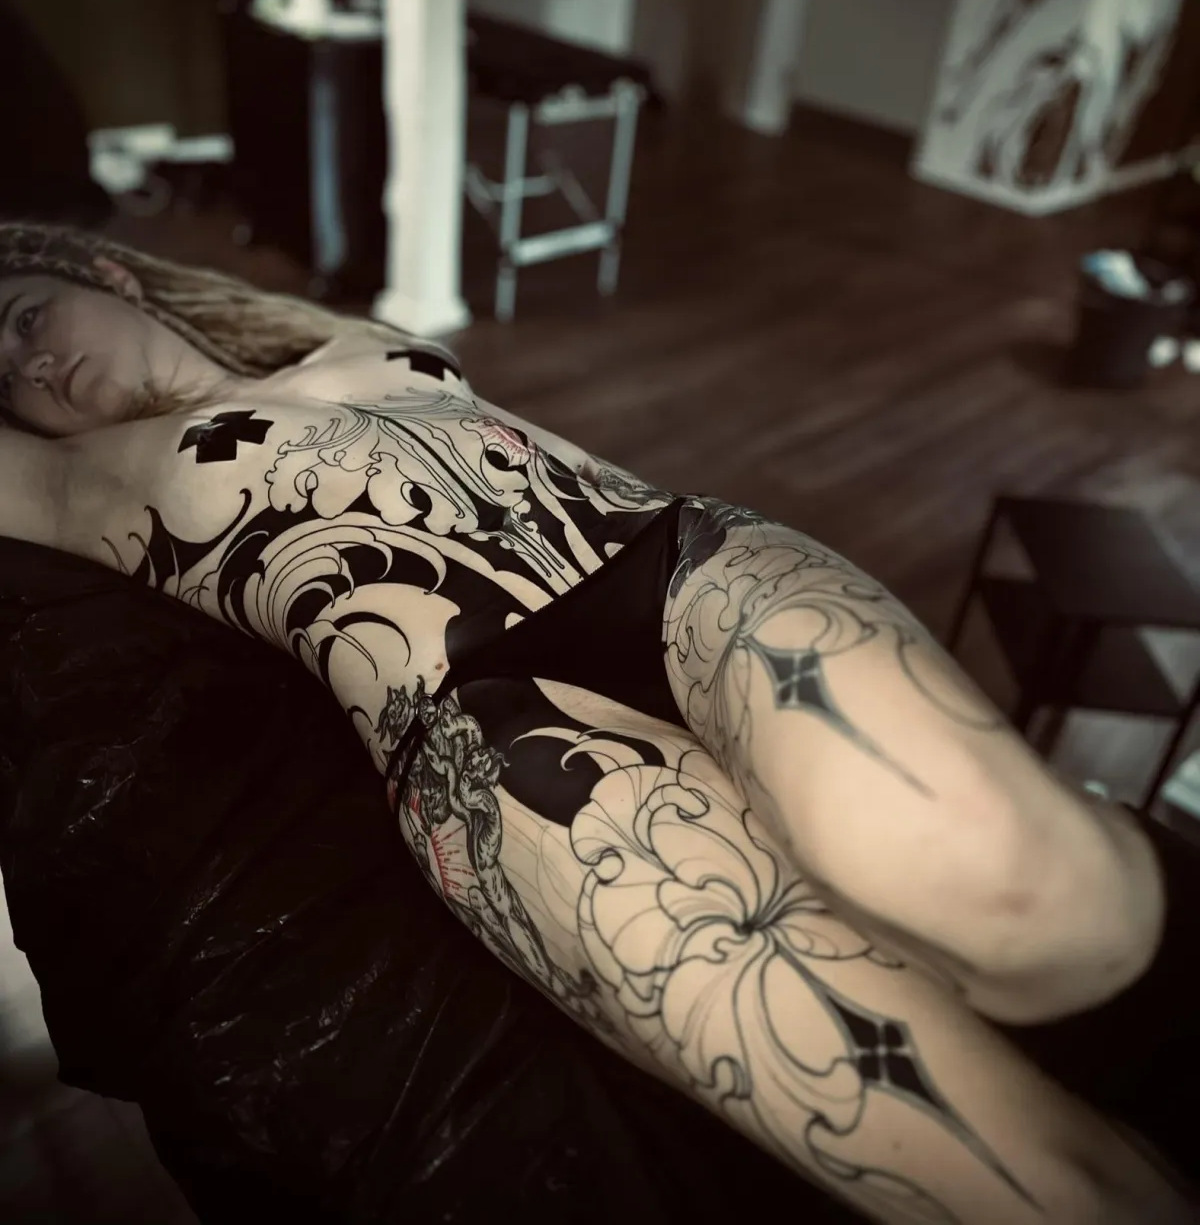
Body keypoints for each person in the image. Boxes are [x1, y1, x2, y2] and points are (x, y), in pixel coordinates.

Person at [0, 219, 1191, 1225]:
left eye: (23, 317)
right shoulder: (74, 483)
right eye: (0, 372)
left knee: (1015, 878)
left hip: (684, 562)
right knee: (1001, 1173)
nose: (28, 362)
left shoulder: (341, 335)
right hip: (484, 729)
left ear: (101, 272)